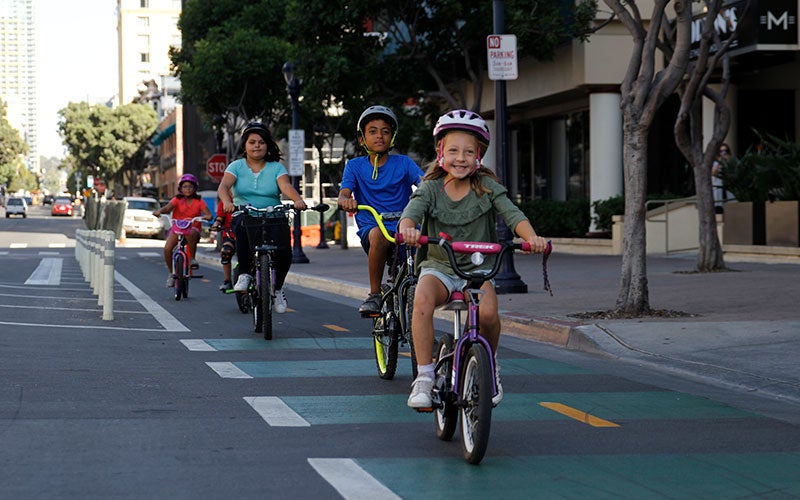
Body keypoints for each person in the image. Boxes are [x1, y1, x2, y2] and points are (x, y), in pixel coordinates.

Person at [396, 109, 549, 409]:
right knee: (422, 300)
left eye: (469, 151)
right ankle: (424, 376)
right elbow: (410, 215)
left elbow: (513, 214)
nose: (461, 158)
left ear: (479, 155)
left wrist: (531, 237)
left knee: (489, 314)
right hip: (439, 266)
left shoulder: (487, 187)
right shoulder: (430, 189)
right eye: (453, 150)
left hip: (478, 270)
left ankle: (488, 367)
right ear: (441, 152)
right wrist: (408, 231)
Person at [338, 105, 424, 315]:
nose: (379, 136)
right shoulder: (355, 166)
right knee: (378, 235)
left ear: (392, 137)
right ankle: (375, 294)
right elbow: (344, 192)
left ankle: (421, 308)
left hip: (405, 226)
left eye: (385, 131)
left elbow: (424, 184)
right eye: (373, 131)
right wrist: (345, 199)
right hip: (373, 227)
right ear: (362, 139)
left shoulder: (404, 163)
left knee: (428, 245)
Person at [217, 122, 306, 314]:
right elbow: (224, 187)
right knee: (241, 228)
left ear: (268, 146)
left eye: (261, 142)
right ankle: (244, 275)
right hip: (246, 213)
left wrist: (297, 199)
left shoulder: (276, 168)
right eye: (252, 142)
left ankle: (279, 288)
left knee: (285, 252)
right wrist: (227, 202)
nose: (257, 145)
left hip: (272, 213)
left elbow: (285, 187)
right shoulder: (236, 166)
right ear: (244, 146)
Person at [152, 174, 213, 287]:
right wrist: (159, 211)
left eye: (190, 186)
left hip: (193, 227)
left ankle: (192, 258)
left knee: (190, 233)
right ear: (180, 188)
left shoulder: (199, 201)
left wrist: (208, 216)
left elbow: (208, 213)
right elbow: (167, 208)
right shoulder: (177, 199)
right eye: (185, 186)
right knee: (167, 248)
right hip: (177, 228)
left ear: (195, 188)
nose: (187, 189)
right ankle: (171, 273)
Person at [211, 198, 235, 292]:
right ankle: (227, 281)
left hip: (248, 234)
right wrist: (217, 224)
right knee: (226, 251)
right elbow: (220, 217)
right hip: (231, 234)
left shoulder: (249, 197)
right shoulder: (225, 201)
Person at [712, 143, 734, 210]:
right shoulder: (716, 163)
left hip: (729, 189)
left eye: (725, 151)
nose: (724, 153)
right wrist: (719, 164)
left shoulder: (732, 162)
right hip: (719, 189)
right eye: (721, 151)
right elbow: (712, 173)